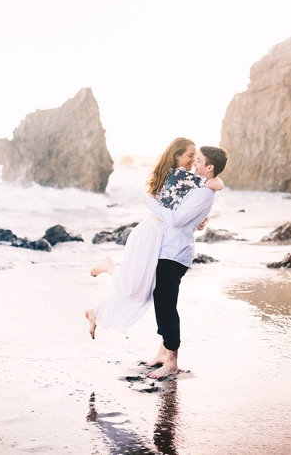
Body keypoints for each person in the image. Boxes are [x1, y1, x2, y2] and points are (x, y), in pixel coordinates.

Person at [85, 138, 222, 339]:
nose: (193, 161)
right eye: (190, 156)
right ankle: (109, 269)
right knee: (136, 287)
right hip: (150, 233)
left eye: (196, 157)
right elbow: (217, 184)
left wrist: (202, 218)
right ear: (177, 156)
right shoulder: (180, 175)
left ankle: (96, 312)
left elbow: (188, 205)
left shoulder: (180, 176)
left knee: (140, 288)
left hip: (158, 233)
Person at [144, 146, 229, 379]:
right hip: (168, 249)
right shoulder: (197, 186)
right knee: (162, 301)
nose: (194, 163)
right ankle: (163, 352)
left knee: (166, 305)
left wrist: (152, 203)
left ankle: (172, 361)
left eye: (199, 160)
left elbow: (176, 219)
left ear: (209, 167)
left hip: (175, 253)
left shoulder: (203, 192)